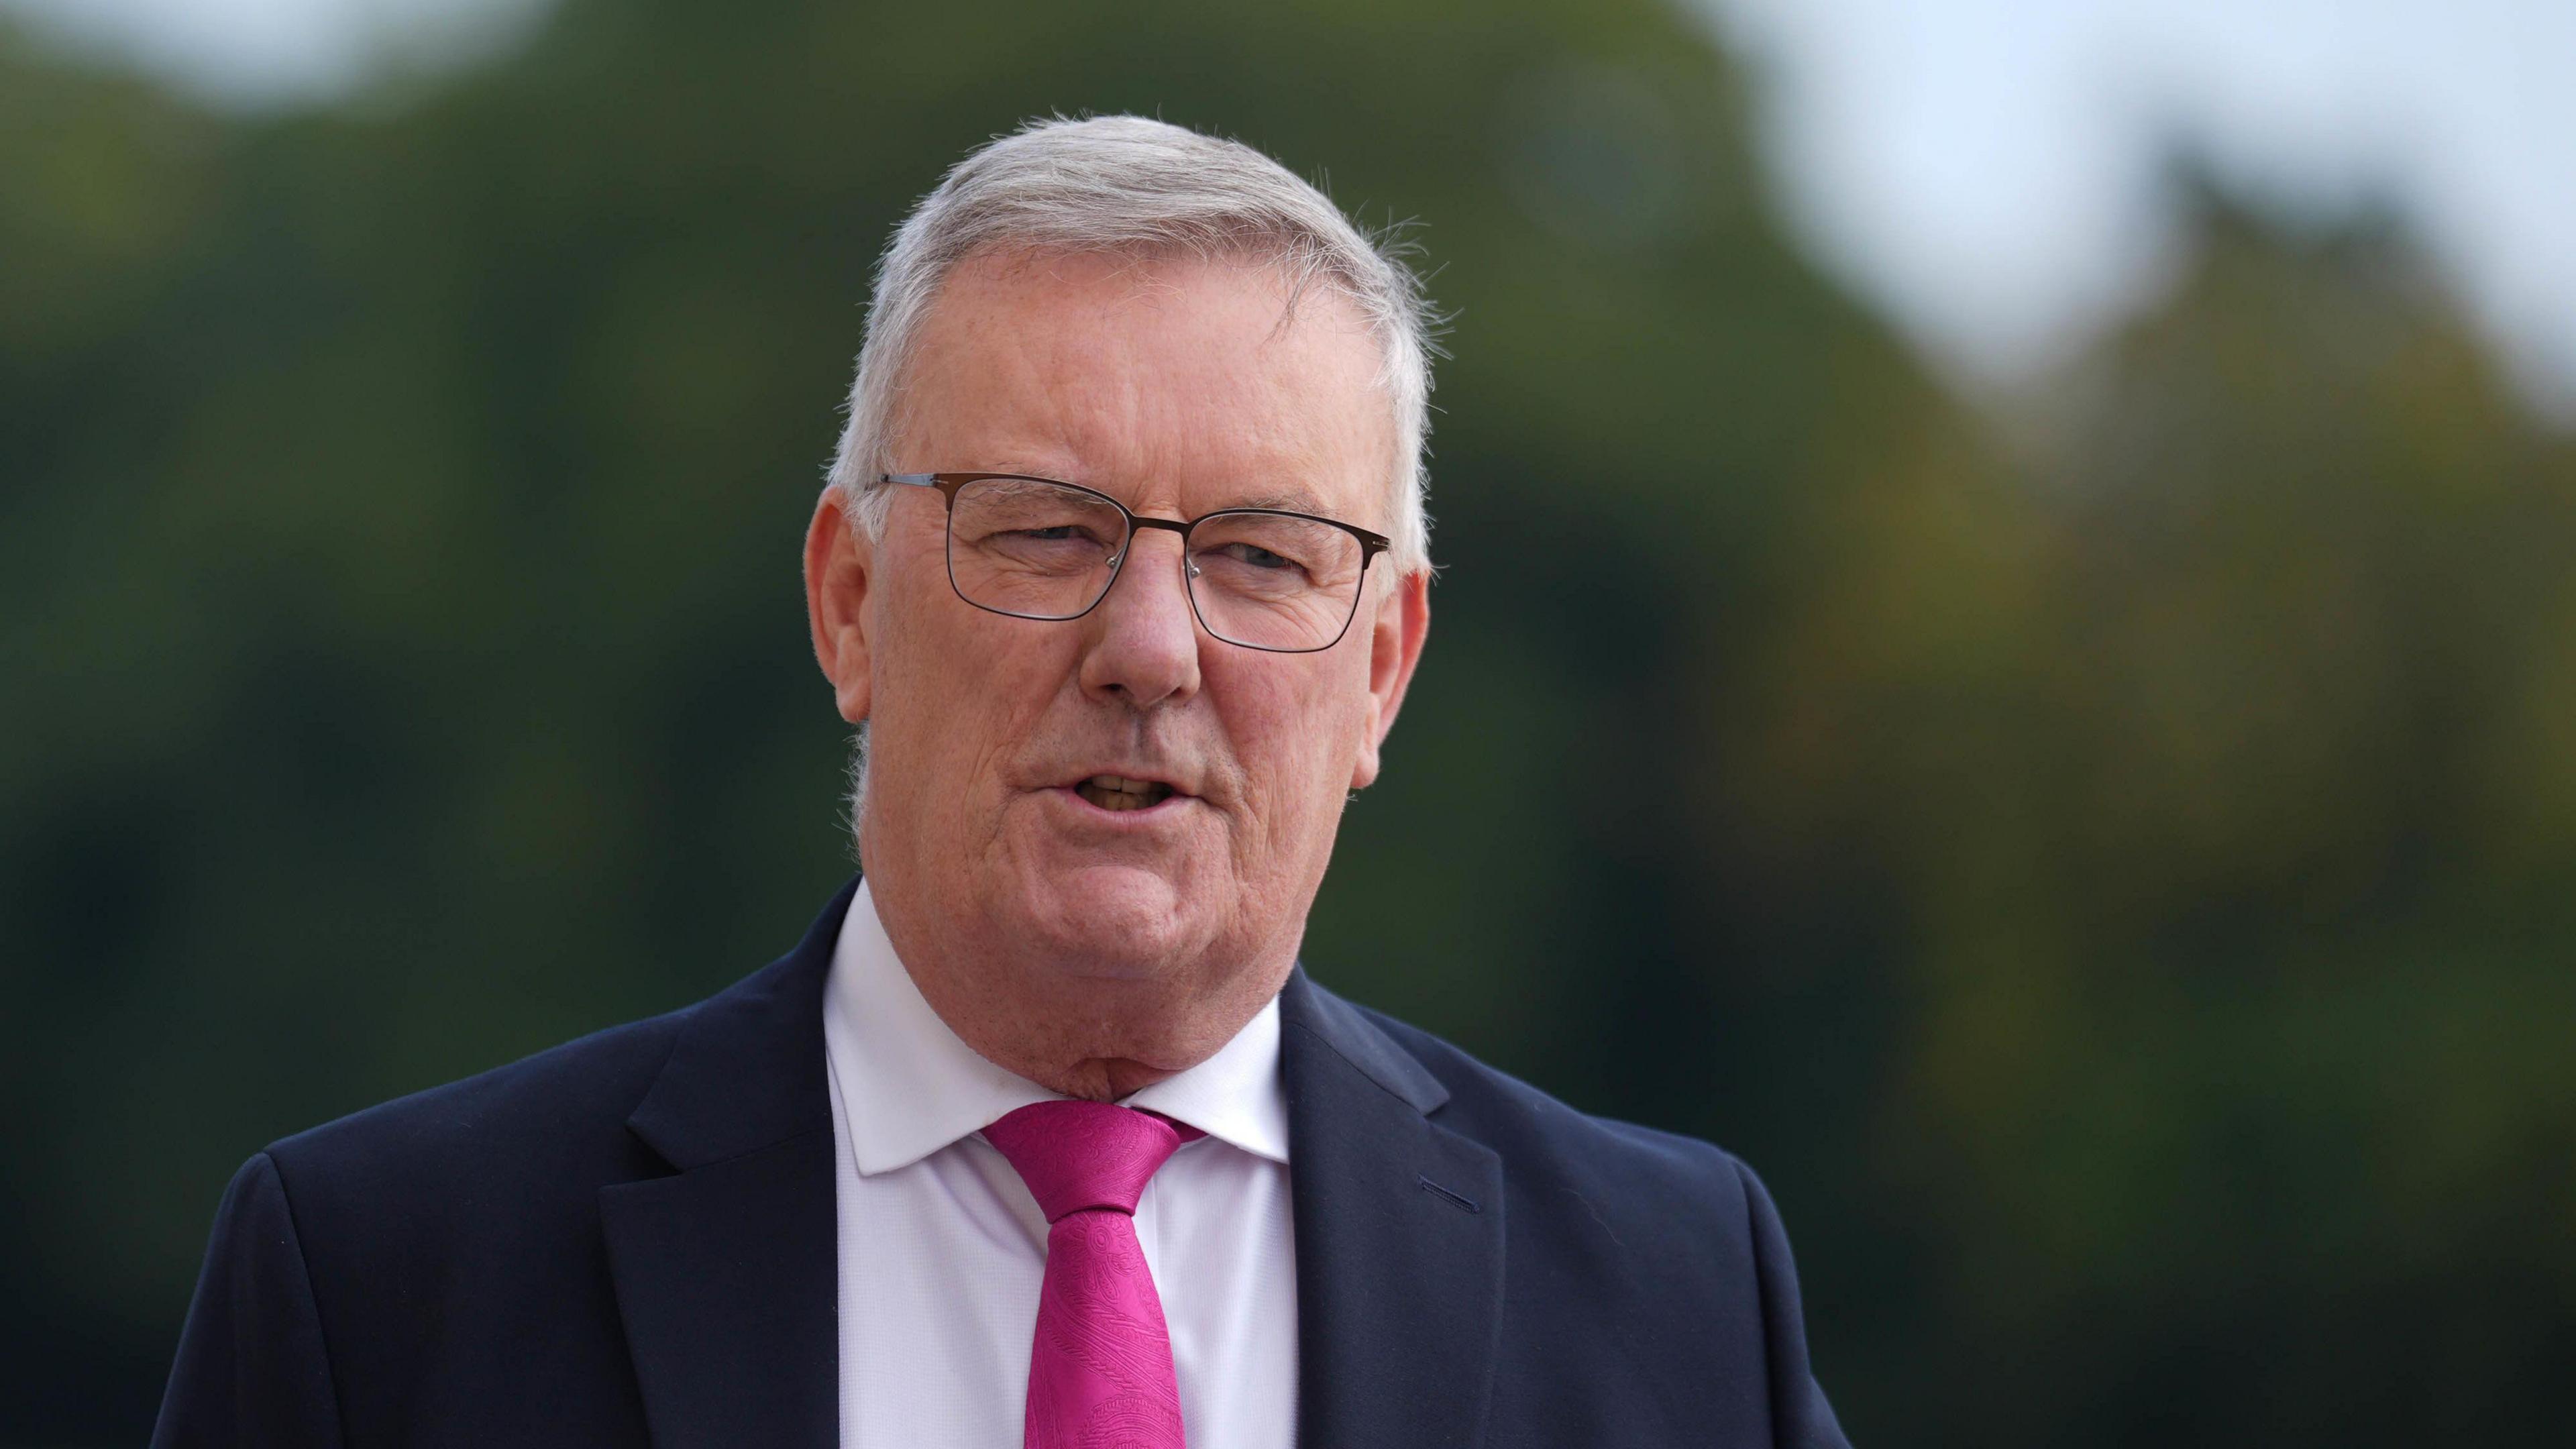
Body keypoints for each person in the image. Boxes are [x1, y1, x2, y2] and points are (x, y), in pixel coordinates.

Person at [152, 115, 1849, 1449]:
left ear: (1384, 666)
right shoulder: (381, 1289)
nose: (1151, 650)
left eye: (1261, 557)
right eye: (1047, 533)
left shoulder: (1676, 1295)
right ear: (847, 603)